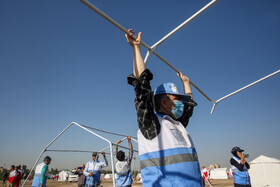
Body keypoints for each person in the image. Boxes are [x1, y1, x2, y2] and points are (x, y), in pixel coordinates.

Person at [125, 29, 203, 186]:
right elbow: (142, 87)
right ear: (165, 102)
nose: (180, 104)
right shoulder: (152, 125)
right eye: (176, 99)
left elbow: (189, 107)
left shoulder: (178, 124)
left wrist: (186, 83)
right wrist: (136, 48)